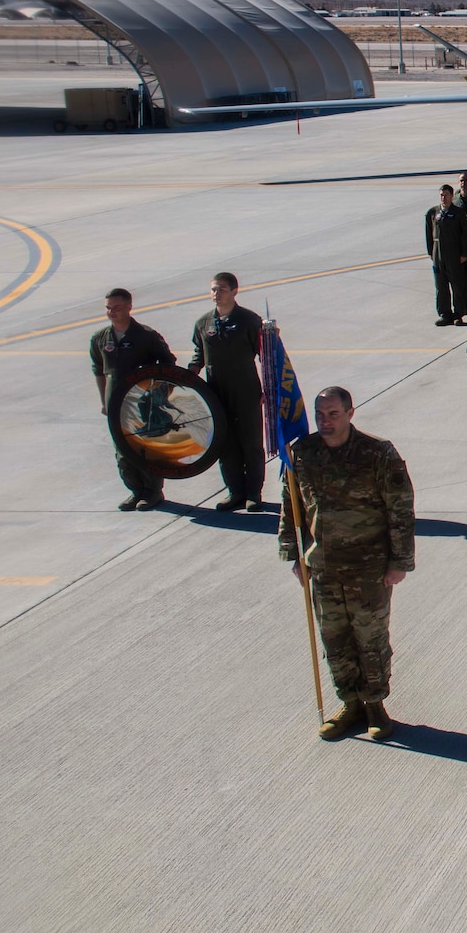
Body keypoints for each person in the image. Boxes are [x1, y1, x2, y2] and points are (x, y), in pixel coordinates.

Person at [281, 386, 415, 743]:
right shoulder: (301, 454)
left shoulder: (377, 453)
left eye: (333, 414)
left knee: (370, 640)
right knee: (335, 639)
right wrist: (294, 554)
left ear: (350, 413)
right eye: (320, 414)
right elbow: (291, 505)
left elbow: (400, 508)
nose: (325, 422)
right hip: (323, 565)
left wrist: (399, 561)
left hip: (368, 567)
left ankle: (375, 705)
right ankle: (349, 703)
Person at [90, 287, 176, 510]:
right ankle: (135, 491)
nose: (111, 312)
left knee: (145, 448)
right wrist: (104, 402)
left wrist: (158, 398)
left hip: (141, 403)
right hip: (116, 404)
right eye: (108, 308)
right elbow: (99, 371)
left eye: (116, 307)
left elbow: (169, 366)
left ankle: (153, 492)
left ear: (129, 307)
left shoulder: (146, 336)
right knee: (123, 451)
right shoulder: (100, 338)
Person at [188, 272, 266, 511]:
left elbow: (266, 356)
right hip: (216, 393)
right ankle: (234, 491)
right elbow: (198, 355)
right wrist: (185, 379)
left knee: (250, 443)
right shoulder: (203, 323)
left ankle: (253, 493)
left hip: (246, 391)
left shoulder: (249, 320)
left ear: (234, 291)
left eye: (221, 289)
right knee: (225, 443)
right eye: (213, 289)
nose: (216, 294)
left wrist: (269, 389)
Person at [426, 184, 467, 326]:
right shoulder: (433, 212)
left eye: (446, 195)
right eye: (441, 195)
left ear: (452, 196)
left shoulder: (458, 213)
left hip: (454, 253)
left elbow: (465, 235)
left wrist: (464, 253)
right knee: (441, 286)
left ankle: (458, 314)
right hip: (438, 253)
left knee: (457, 285)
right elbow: (428, 234)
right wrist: (431, 252)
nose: (443, 198)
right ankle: (444, 313)